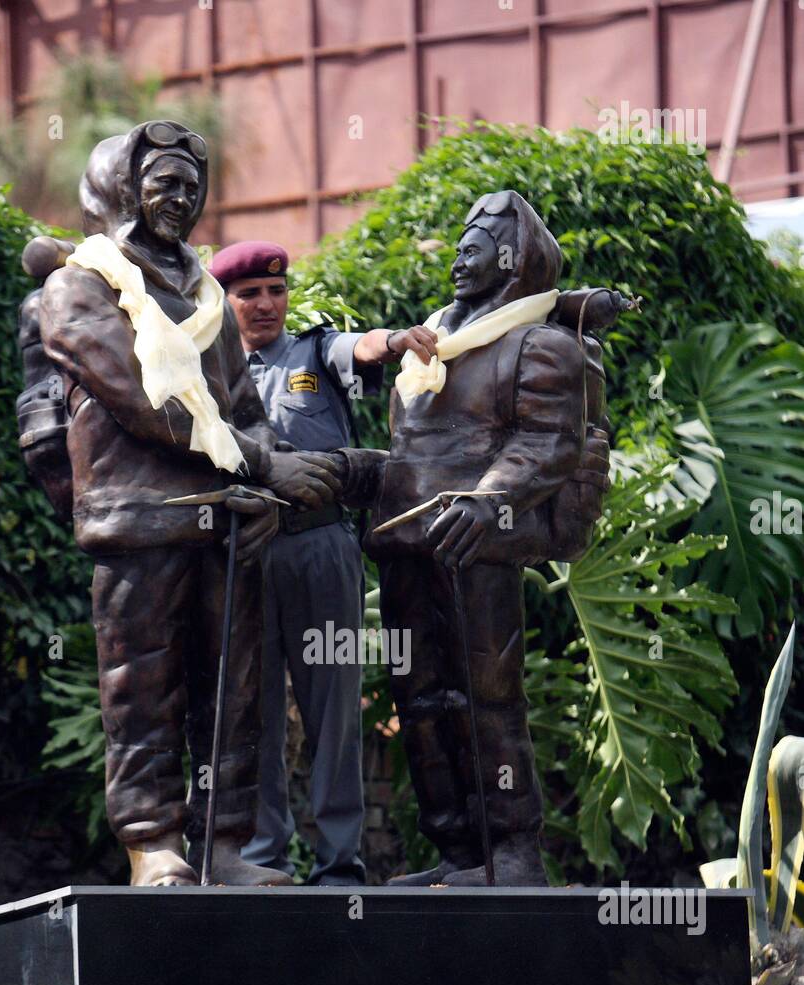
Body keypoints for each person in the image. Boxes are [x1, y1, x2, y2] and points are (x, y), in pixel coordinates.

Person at [36, 122, 339, 887]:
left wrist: (266, 480)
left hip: (225, 522)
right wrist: (266, 461)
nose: (182, 197)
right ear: (118, 189)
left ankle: (224, 847)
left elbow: (242, 406)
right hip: (138, 523)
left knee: (233, 695)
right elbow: (149, 402)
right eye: (164, 182)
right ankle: (151, 844)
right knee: (142, 690)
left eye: (191, 186)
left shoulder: (207, 296)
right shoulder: (78, 286)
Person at [331, 191, 620, 886]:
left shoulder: (539, 345)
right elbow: (415, 452)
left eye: (476, 243)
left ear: (513, 258)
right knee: (421, 700)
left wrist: (491, 501)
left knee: (489, 696)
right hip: (407, 547)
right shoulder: (429, 349)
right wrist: (352, 473)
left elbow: (548, 443)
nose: (460, 254)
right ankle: (460, 850)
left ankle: (513, 852)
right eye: (459, 242)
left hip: (480, 546)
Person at [211, 239, 436, 886]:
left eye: (275, 291)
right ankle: (262, 860)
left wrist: (394, 340)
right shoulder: (209, 375)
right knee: (252, 708)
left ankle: (340, 862)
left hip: (321, 548)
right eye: (249, 294)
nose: (265, 305)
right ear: (225, 304)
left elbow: (358, 347)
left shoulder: (313, 350)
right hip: (244, 554)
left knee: (333, 706)